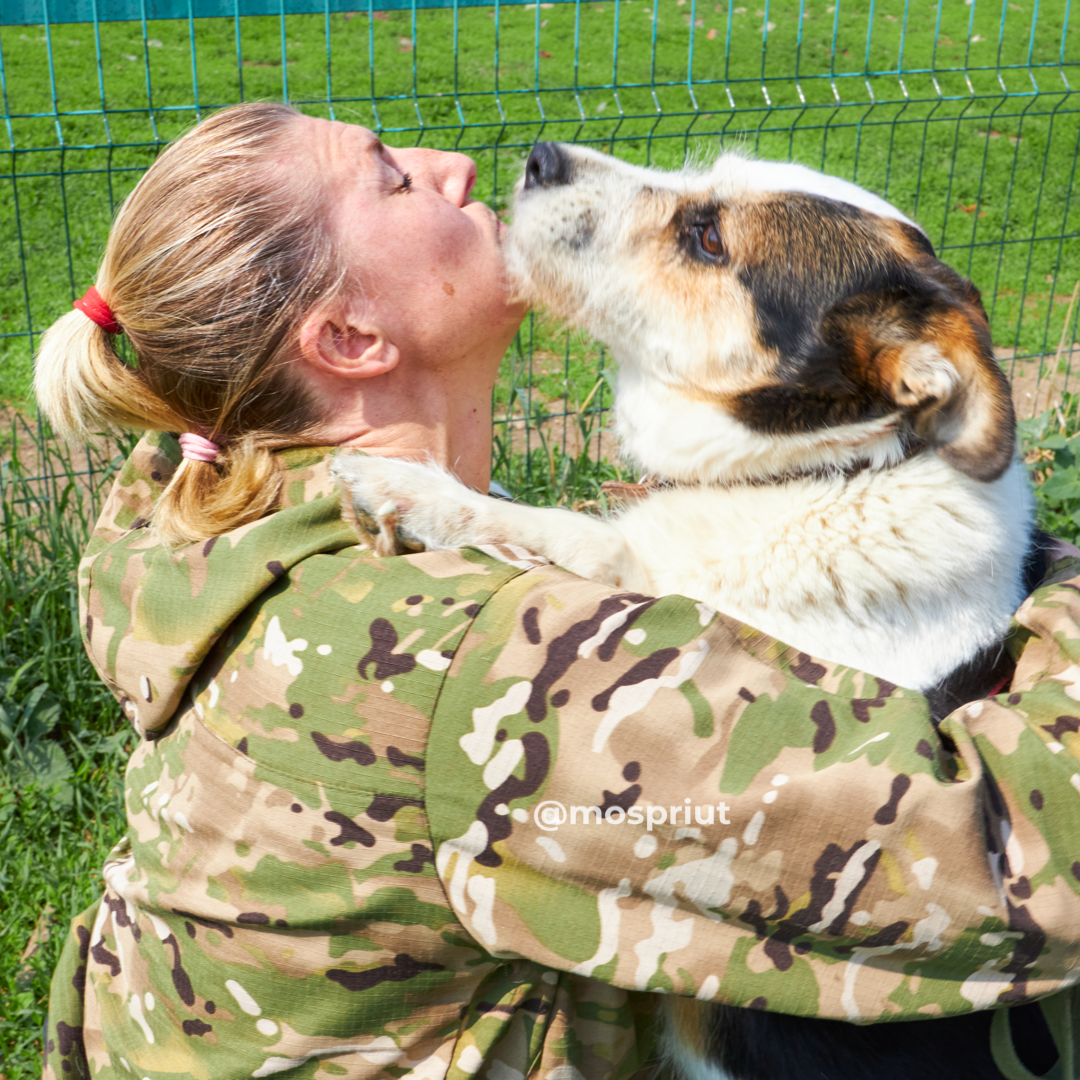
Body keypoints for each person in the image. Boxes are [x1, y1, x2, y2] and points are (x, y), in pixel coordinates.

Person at [35, 102, 1080, 1080]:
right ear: (351, 340)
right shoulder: (492, 663)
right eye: (395, 181)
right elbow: (1026, 870)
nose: (458, 169)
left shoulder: (216, 502)